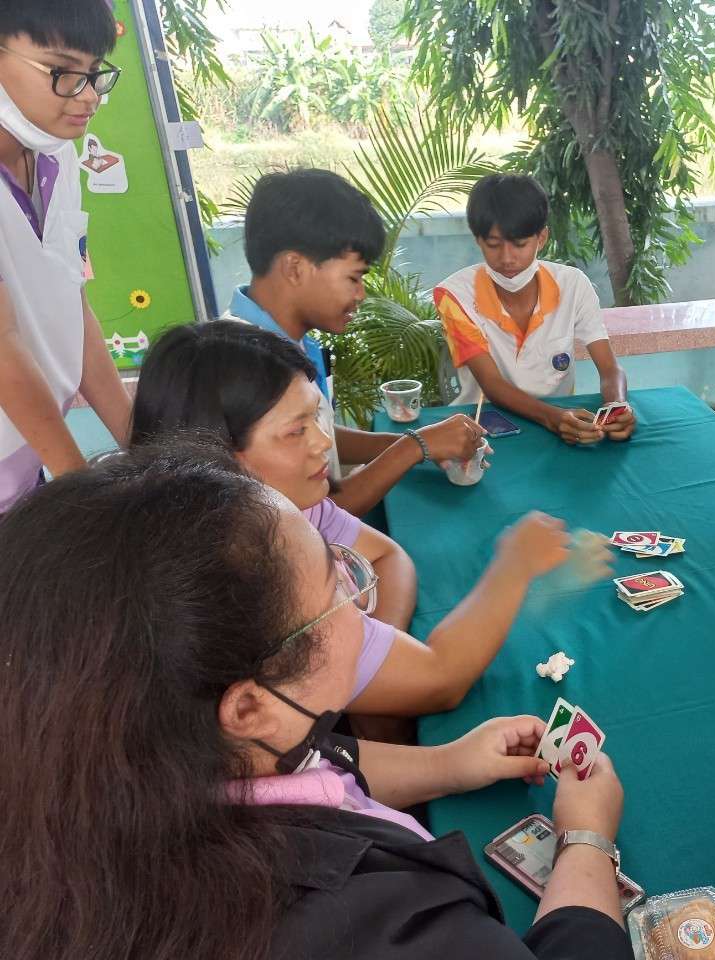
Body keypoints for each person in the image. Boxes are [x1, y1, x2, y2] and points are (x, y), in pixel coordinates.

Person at [0, 445, 632, 960]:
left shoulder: (116, 773)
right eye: (337, 590)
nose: (362, 607)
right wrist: (586, 840)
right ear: (248, 710)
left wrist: (449, 762)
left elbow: (315, 765)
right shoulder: (371, 922)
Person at [131, 321, 598, 732]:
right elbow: (441, 680)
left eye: (316, 416)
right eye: (295, 430)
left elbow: (387, 555)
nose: (323, 442)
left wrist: (368, 651)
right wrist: (515, 564)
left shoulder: (281, 503)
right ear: (220, 455)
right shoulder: (249, 583)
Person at [232, 168, 486, 516]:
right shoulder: (247, 369)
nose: (361, 294)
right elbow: (316, 516)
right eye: (354, 278)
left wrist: (422, 443)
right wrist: (415, 447)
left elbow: (321, 434)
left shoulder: (289, 343)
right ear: (294, 268)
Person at [0, 0, 133, 513]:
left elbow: (70, 304)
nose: (89, 96)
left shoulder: (58, 153)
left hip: (25, 461)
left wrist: (143, 445)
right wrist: (81, 492)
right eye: (62, 71)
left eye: (94, 72)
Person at [434, 173, 635, 446]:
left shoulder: (573, 285)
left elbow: (610, 369)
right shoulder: (455, 296)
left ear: (541, 238)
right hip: (483, 433)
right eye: (493, 244)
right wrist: (553, 418)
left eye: (519, 244)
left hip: (561, 426)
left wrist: (617, 406)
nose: (507, 258)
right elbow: (492, 385)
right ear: (478, 240)